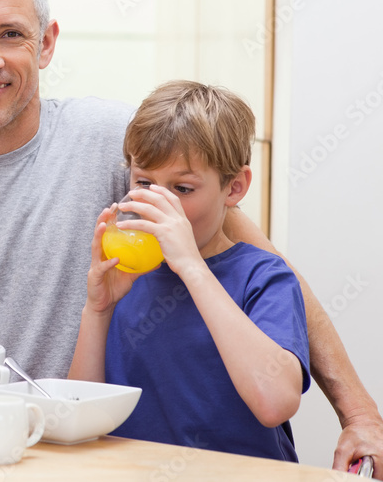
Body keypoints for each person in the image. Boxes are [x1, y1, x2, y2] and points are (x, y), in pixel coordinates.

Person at [0, 0, 383, 478]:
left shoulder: (123, 145)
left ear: (45, 44)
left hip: (102, 463)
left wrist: (362, 416)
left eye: (11, 33)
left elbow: (266, 273)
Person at [68, 80, 309, 460]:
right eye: (144, 182)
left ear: (234, 188)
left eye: (182, 188)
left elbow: (275, 402)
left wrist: (193, 269)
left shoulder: (263, 277)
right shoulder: (128, 280)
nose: (159, 203)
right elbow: (77, 417)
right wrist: (97, 311)